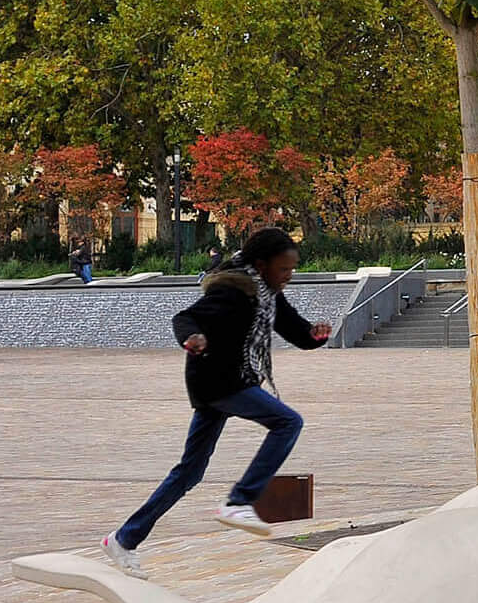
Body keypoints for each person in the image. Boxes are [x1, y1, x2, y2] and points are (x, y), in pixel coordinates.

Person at [100, 226, 331, 577]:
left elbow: (296, 331)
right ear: (261, 263)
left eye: (292, 269)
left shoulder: (268, 294)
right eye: (284, 269)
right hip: (220, 382)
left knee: (189, 472)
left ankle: (124, 539)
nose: (289, 276)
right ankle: (239, 501)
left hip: (225, 383)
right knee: (287, 422)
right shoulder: (233, 290)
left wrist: (315, 336)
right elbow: (185, 317)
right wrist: (192, 337)